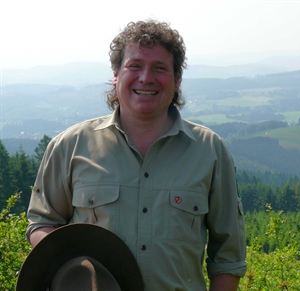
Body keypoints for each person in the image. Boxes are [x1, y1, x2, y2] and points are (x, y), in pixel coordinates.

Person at [26, 19, 247, 291]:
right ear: (116, 76)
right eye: (135, 66)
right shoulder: (70, 146)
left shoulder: (210, 150)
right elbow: (42, 222)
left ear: (177, 80)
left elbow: (228, 256)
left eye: (160, 68)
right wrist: (78, 272)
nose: (146, 78)